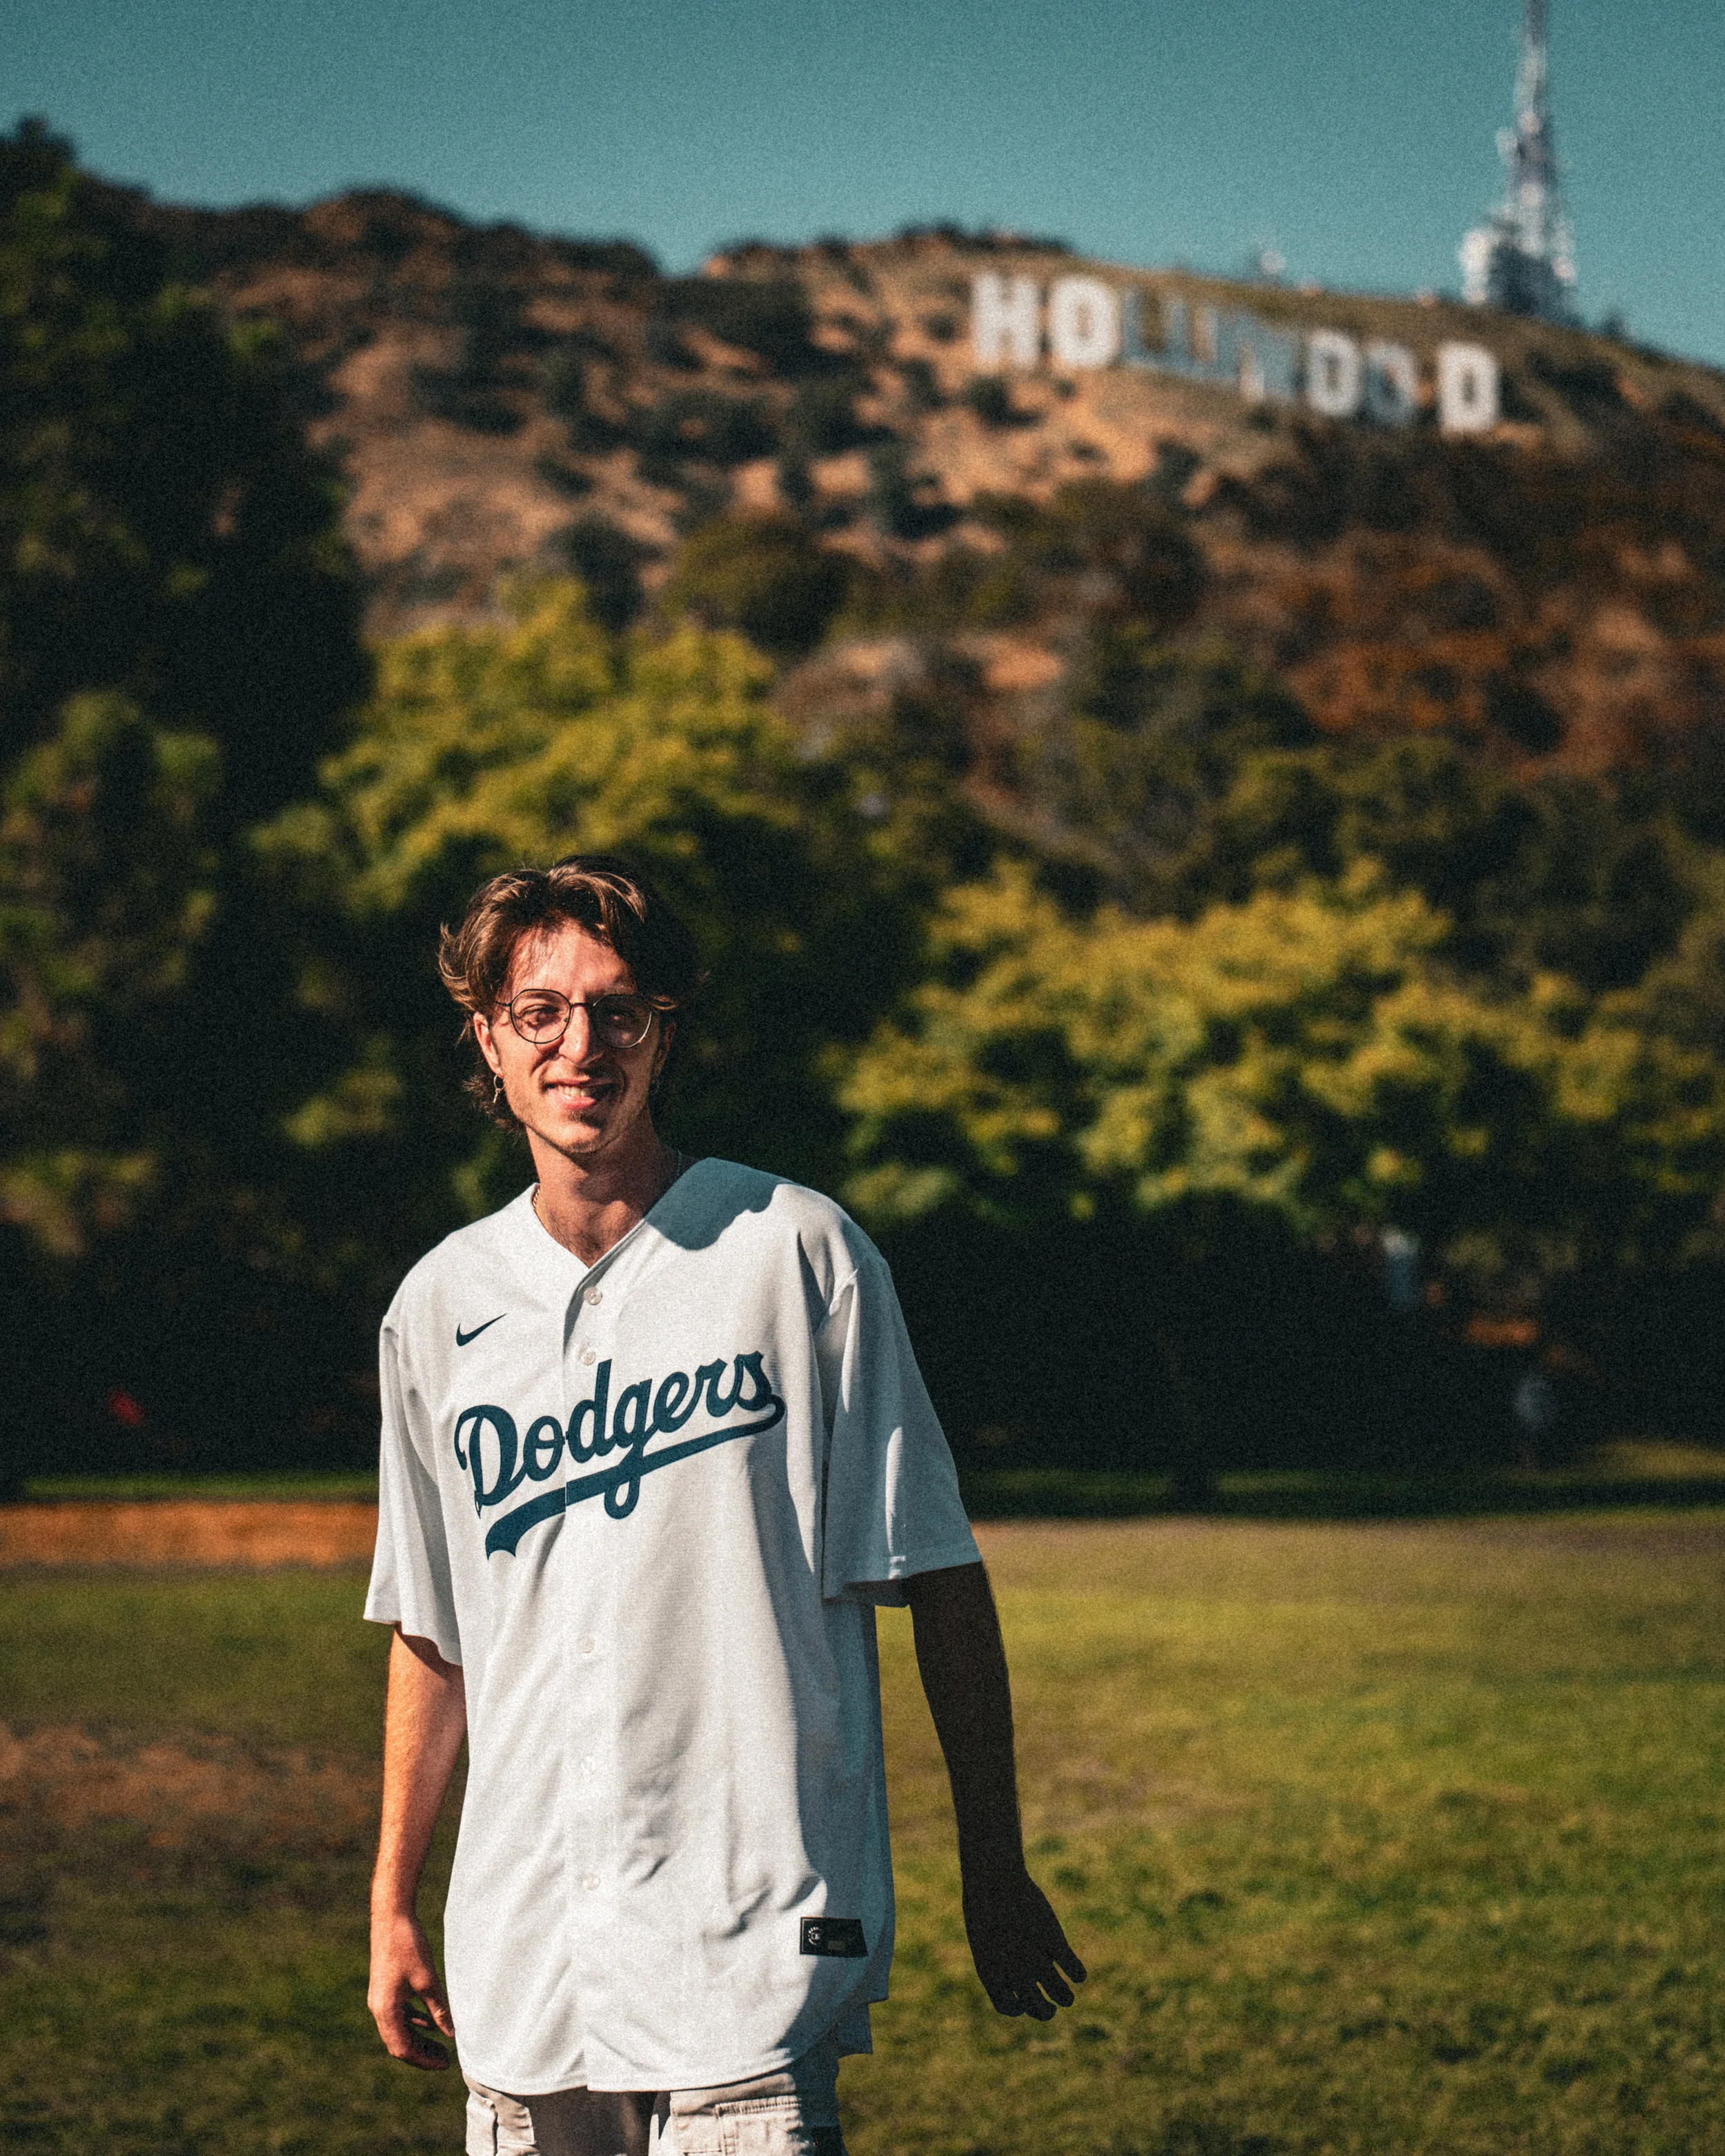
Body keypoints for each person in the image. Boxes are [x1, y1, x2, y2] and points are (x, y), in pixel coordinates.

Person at [365, 853, 1084, 2156]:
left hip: (749, 1942)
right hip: (525, 1954)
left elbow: (937, 1571)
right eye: (541, 1011)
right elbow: (432, 1628)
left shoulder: (794, 1251)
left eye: (618, 1010)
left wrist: (993, 1864)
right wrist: (391, 1902)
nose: (581, 1045)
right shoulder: (439, 1305)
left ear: (663, 1030)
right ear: (486, 1035)